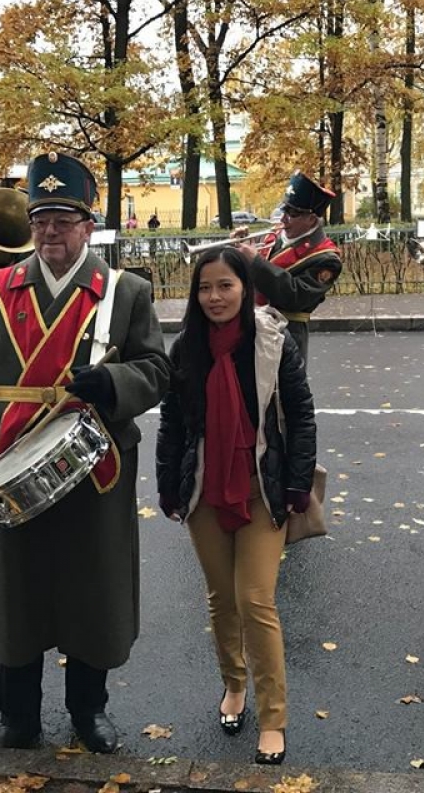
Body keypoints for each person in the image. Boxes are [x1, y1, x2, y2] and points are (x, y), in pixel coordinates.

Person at [0, 152, 169, 753]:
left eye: (64, 218)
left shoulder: (125, 292)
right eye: (41, 219)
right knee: (18, 594)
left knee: (93, 590)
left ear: (89, 226)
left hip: (96, 465)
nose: (50, 231)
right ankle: (19, 718)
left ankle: (90, 711)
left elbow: (158, 370)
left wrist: (114, 385)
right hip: (13, 461)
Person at [156, 247, 316, 766]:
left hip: (262, 487)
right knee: (221, 598)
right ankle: (234, 686)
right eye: (205, 288)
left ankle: (273, 718)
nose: (214, 297)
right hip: (204, 491)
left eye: (225, 285)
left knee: (255, 601)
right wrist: (167, 485)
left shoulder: (272, 341)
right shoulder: (186, 350)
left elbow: (301, 415)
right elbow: (173, 425)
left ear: (245, 288)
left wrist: (295, 486)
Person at [233, 171, 342, 359]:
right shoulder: (274, 235)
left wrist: (255, 262)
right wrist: (239, 251)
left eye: (292, 213)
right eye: (284, 209)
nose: (283, 219)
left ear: (311, 219)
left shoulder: (327, 258)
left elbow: (295, 296)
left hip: (286, 336)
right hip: (251, 327)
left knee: (282, 388)